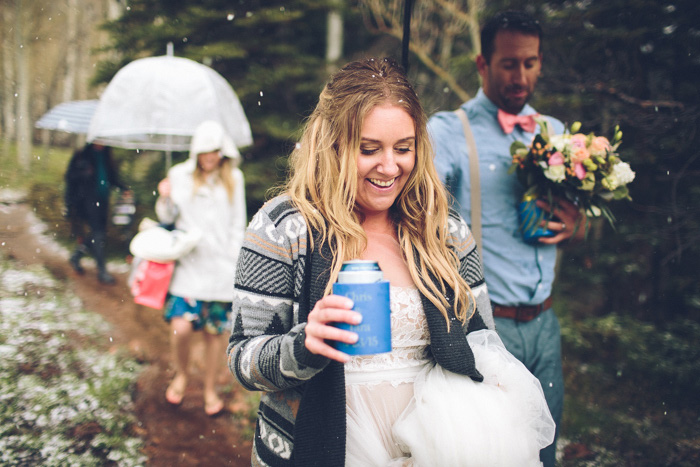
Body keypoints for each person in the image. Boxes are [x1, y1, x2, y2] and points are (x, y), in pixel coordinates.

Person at [228, 57, 554, 466]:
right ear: (333, 145)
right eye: (369, 149)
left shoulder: (444, 230)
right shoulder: (283, 228)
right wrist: (303, 346)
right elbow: (242, 360)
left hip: (435, 448)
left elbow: (481, 339)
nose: (389, 166)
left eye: (404, 148)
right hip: (326, 448)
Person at [428, 10, 586, 466]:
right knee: (494, 452)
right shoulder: (449, 132)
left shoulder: (556, 133)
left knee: (543, 448)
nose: (521, 76)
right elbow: (417, 219)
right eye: (509, 64)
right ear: (482, 64)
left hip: (546, 324)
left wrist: (578, 227)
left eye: (530, 63)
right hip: (487, 326)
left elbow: (580, 223)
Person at [155, 120, 247, 416]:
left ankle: (209, 389)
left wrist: (234, 259)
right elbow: (167, 218)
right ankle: (181, 373)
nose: (210, 158)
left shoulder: (234, 177)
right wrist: (165, 196)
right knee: (181, 329)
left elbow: (237, 224)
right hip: (188, 267)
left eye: (215, 152)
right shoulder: (178, 175)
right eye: (205, 152)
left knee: (213, 335)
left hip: (220, 269)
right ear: (196, 152)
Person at [65, 142, 130, 284]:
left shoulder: (107, 155)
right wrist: (84, 172)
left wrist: (123, 188)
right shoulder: (82, 155)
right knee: (98, 234)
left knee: (98, 234)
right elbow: (70, 178)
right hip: (86, 201)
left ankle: (76, 255)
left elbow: (111, 177)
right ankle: (102, 271)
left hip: (103, 200)